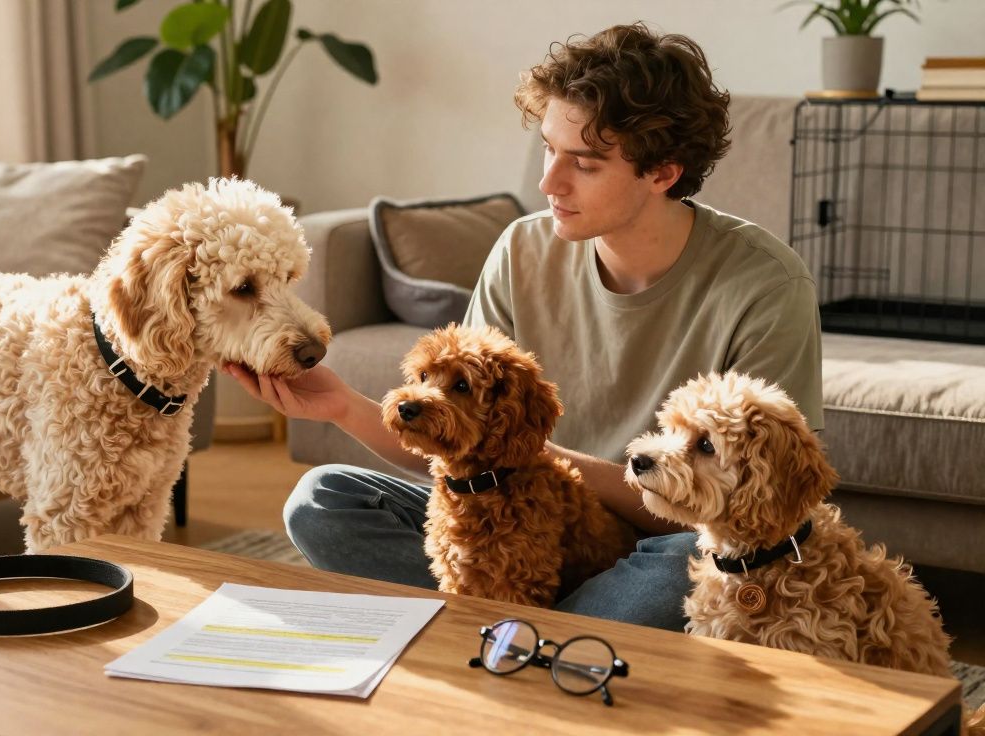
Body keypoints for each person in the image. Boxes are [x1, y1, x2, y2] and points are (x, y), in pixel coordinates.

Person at [224, 22, 823, 632]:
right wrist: (339, 406)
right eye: (548, 148)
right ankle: (545, 636)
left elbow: (760, 511)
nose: (548, 183)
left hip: (653, 547)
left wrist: (542, 456)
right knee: (323, 499)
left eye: (583, 163)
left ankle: (499, 632)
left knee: (688, 567)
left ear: (663, 173)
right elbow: (457, 445)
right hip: (507, 524)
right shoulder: (521, 250)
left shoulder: (766, 285)